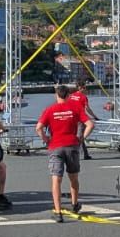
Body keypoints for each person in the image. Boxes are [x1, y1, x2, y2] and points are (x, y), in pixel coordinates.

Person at [37, 83, 90, 221]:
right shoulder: (75, 107)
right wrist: (81, 138)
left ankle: (58, 211)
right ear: (68, 95)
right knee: (73, 177)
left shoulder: (50, 109)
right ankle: (74, 203)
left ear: (56, 95)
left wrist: (46, 139)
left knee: (56, 179)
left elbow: (38, 127)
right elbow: (90, 124)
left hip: (55, 146)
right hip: (72, 145)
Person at [66, 80, 98, 158]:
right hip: (80, 119)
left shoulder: (71, 96)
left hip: (71, 118)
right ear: (81, 88)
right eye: (85, 87)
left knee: (79, 136)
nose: (86, 89)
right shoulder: (83, 97)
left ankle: (85, 154)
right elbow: (87, 108)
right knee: (80, 136)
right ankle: (74, 153)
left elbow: (66, 105)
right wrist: (94, 116)